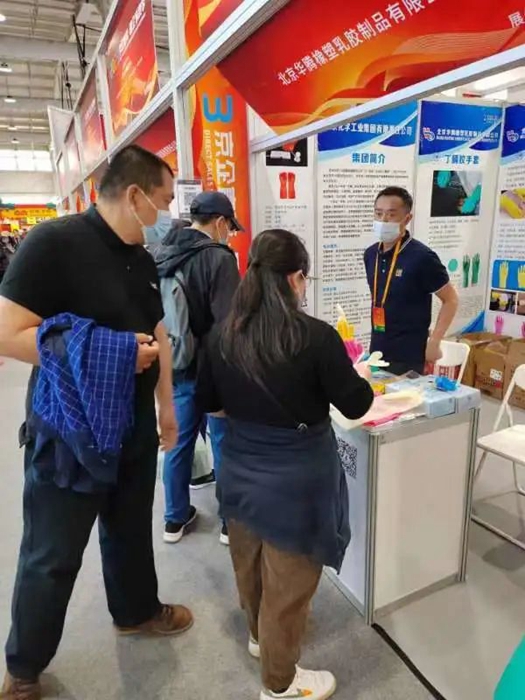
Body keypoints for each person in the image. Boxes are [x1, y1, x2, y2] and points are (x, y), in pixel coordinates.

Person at [0, 145, 193, 700]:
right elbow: (8, 334)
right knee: (52, 553)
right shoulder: (52, 244)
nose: (166, 213)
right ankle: (23, 669)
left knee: (129, 530)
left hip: (132, 425)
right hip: (69, 430)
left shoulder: (140, 257)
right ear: (134, 196)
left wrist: (166, 407)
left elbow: (159, 333)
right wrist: (110, 354)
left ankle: (136, 612)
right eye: (163, 200)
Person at [196, 229, 374, 700]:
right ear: (296, 278)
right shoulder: (315, 337)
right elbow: (356, 404)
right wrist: (356, 374)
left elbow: (210, 405)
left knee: (249, 562)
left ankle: (260, 638)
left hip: (239, 467)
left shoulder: (222, 335)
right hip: (298, 478)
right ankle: (280, 683)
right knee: (289, 584)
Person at [153, 191, 241, 545]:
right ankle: (229, 523)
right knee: (223, 443)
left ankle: (174, 519)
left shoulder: (162, 251)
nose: (229, 233)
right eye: (229, 227)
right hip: (212, 367)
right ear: (219, 222)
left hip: (175, 362)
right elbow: (228, 323)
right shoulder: (219, 257)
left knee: (177, 443)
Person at [364, 186, 459, 375]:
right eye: (378, 213)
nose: (383, 220)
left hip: (409, 355)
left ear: (407, 219)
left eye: (391, 215)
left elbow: (451, 299)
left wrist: (435, 341)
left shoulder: (422, 257)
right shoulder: (371, 254)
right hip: (378, 350)